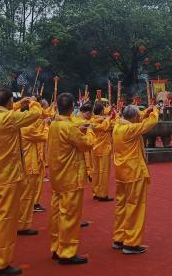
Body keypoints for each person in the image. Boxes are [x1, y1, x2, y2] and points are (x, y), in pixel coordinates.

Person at [0, 88, 42, 276]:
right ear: (8, 102)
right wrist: (32, 102)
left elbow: (5, 110)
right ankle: (1, 263)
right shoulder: (9, 119)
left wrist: (18, 103)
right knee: (5, 219)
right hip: (7, 176)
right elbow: (36, 114)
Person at [48, 93, 94, 264]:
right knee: (70, 214)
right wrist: (89, 131)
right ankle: (66, 251)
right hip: (70, 176)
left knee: (56, 213)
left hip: (57, 175)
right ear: (72, 108)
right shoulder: (68, 127)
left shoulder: (54, 124)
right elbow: (87, 144)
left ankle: (56, 246)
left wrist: (79, 129)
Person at [112, 104, 159, 255]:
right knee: (135, 206)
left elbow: (138, 120)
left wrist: (146, 111)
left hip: (121, 172)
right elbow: (150, 124)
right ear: (133, 118)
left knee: (121, 206)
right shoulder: (130, 129)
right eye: (137, 116)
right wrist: (156, 111)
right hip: (133, 172)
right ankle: (131, 242)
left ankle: (119, 238)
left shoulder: (117, 125)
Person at [17, 99, 48, 236]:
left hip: (23, 164)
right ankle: (22, 225)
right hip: (28, 165)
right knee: (26, 196)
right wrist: (46, 125)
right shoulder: (27, 129)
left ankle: (21, 222)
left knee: (23, 195)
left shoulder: (19, 126)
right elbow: (44, 136)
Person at [90, 101, 114, 201]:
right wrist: (111, 116)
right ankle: (102, 194)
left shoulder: (91, 120)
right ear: (101, 112)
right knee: (103, 172)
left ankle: (96, 192)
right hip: (104, 150)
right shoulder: (106, 123)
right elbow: (111, 125)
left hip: (94, 149)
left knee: (95, 172)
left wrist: (108, 113)